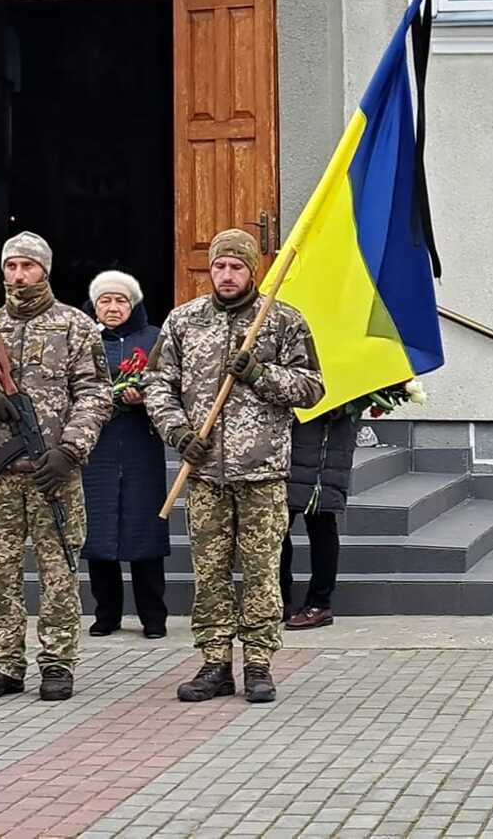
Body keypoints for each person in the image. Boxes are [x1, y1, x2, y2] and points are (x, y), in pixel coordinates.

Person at [146, 228, 324, 705]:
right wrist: (178, 433)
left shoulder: (283, 321)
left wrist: (260, 374)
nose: (227, 275)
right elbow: (158, 385)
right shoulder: (184, 322)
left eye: (236, 267)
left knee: (262, 571)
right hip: (204, 473)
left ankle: (260, 662)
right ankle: (215, 661)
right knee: (210, 571)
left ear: (253, 271)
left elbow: (312, 388)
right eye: (220, 266)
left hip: (262, 470)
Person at [0, 231, 111, 702]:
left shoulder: (76, 327)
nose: (18, 276)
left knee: (58, 573)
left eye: (27, 267)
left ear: (45, 271)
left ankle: (57, 663)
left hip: (53, 473)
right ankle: (3, 663)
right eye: (11, 267)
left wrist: (69, 450)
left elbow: (96, 395)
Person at [81, 269, 169, 639]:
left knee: (144, 528)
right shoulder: (81, 340)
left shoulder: (154, 340)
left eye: (120, 301)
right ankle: (106, 615)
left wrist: (146, 398)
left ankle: (153, 617)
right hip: (96, 447)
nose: (113, 308)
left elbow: (170, 384)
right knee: (98, 531)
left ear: (133, 305)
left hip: (140, 445)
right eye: (105, 301)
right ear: (94, 305)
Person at [283, 411, 357, 629]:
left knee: (321, 522)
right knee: (276, 523)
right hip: (291, 437)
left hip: (326, 445)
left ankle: (319, 603)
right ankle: (279, 597)